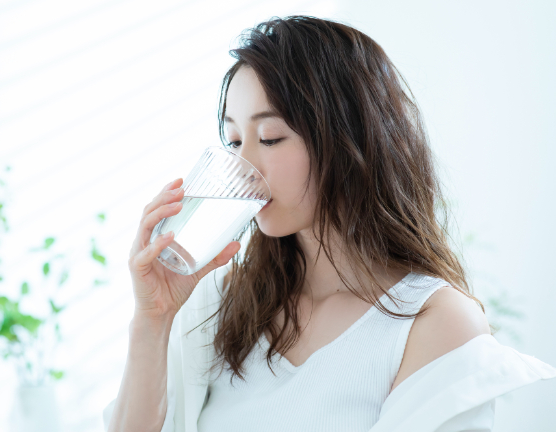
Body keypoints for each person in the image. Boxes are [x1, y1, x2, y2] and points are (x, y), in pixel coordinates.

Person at [103, 16, 556, 432]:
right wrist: (153, 321)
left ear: (348, 140)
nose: (242, 167)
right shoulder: (219, 300)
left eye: (270, 137)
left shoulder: (431, 325)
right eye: (235, 139)